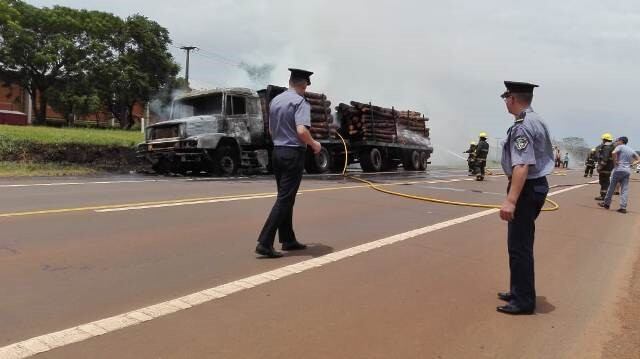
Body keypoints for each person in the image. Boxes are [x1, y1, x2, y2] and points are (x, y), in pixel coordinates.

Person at [497, 81, 554, 315]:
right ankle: (518, 290)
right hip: (533, 187)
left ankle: (524, 301)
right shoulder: (535, 119)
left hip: (527, 188)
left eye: (506, 98)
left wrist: (511, 200)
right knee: (518, 244)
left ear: (512, 98)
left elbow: (522, 164)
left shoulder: (523, 125)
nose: (505, 102)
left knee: (519, 246)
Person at [255, 68, 322, 258]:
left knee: (286, 197)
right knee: (285, 199)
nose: (305, 90)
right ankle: (265, 242)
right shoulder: (300, 102)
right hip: (293, 153)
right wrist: (314, 144)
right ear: (303, 84)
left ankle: (288, 239)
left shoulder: (276, 100)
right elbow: (301, 131)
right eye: (306, 86)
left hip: (277, 152)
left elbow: (270, 130)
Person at [598, 136, 640, 214]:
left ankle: (606, 203)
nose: (616, 142)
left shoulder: (620, 147)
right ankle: (623, 207)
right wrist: (631, 164)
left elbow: (613, 153)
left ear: (621, 141)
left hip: (618, 169)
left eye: (618, 141)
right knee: (624, 189)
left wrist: (615, 162)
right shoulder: (631, 149)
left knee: (611, 187)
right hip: (627, 171)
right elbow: (638, 159)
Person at [594, 133, 615, 201]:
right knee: (605, 180)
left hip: (605, 167)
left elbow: (605, 158)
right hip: (609, 166)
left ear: (604, 139)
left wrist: (600, 166)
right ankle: (605, 195)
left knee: (603, 181)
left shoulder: (606, 147)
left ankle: (604, 196)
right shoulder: (612, 146)